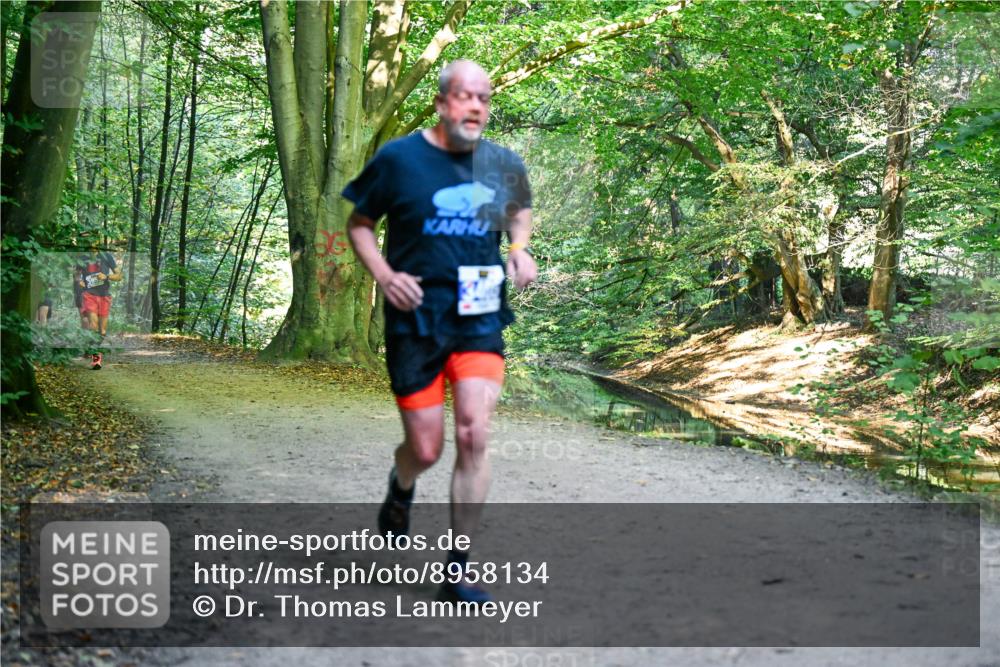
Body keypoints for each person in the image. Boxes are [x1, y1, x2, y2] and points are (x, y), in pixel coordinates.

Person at [344, 59, 538, 604]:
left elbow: (518, 212)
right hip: (415, 316)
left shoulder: (501, 163)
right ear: (441, 102)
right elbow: (360, 224)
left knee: (475, 432)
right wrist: (383, 275)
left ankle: (457, 570)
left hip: (478, 313)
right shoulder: (399, 159)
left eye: (485, 97)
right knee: (426, 448)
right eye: (465, 95)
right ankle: (401, 483)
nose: (476, 106)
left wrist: (519, 251)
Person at [75, 240, 122, 370]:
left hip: (104, 296)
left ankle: (88, 348)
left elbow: (119, 276)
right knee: (94, 327)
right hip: (89, 295)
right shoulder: (83, 258)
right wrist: (79, 282)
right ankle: (96, 360)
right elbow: (77, 275)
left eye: (94, 239)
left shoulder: (107, 256)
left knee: (102, 331)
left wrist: (106, 277)